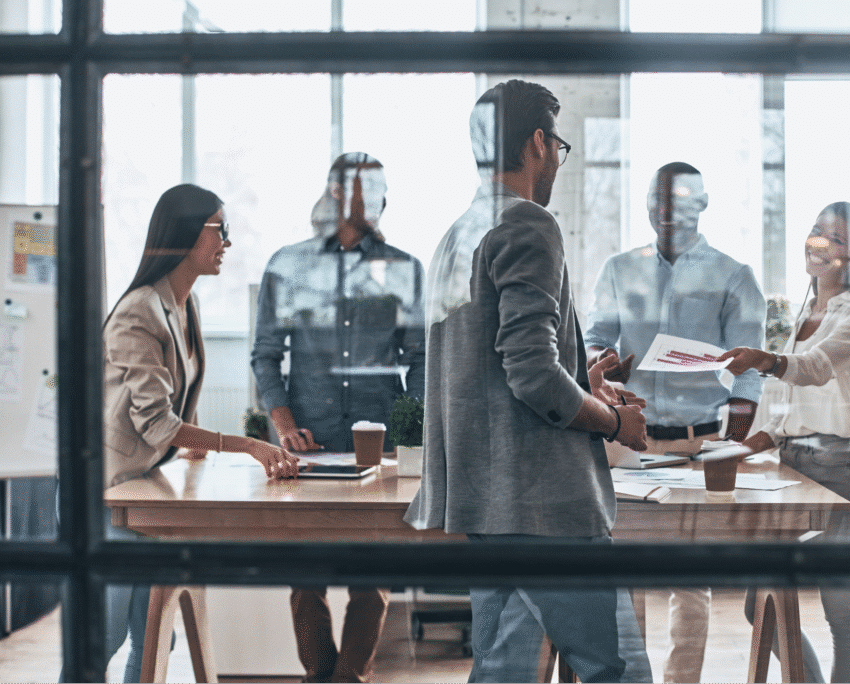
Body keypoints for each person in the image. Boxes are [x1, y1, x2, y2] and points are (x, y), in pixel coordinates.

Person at [404, 79, 652, 683]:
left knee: (502, 671)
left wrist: (581, 381)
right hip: (545, 506)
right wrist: (616, 422)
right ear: (538, 142)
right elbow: (534, 374)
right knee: (615, 670)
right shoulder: (528, 224)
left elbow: (495, 366)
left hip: (486, 502)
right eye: (558, 146)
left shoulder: (458, 234)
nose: (557, 161)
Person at [100, 184, 301, 682]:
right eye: (220, 229)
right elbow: (158, 423)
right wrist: (250, 444)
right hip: (103, 491)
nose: (226, 243)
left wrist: (188, 448)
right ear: (185, 234)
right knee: (99, 635)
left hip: (145, 489)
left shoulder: (184, 306)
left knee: (154, 633)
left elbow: (169, 412)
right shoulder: (138, 311)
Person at [584, 161, 765, 683]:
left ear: (702, 204)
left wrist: (742, 408)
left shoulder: (733, 275)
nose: (666, 211)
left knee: (690, 578)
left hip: (697, 443)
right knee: (628, 572)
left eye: (680, 200)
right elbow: (596, 335)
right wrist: (603, 359)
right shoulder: (619, 268)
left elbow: (748, 365)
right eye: (656, 200)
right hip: (629, 442)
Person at [252, 152, 425, 683]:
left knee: (373, 577)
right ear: (335, 193)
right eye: (365, 189)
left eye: (382, 190)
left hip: (379, 447)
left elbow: (419, 360)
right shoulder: (289, 265)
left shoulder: (404, 269)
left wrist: (408, 439)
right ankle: (320, 674)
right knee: (304, 575)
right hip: (308, 444)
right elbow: (265, 353)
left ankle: (349, 678)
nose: (379, 200)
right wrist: (281, 422)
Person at [718, 201, 850, 684]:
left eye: (833, 238)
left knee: (840, 608)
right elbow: (790, 409)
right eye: (815, 232)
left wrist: (761, 359)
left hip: (842, 469)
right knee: (760, 603)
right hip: (793, 466)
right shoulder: (804, 311)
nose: (817, 243)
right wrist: (740, 448)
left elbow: (813, 370)